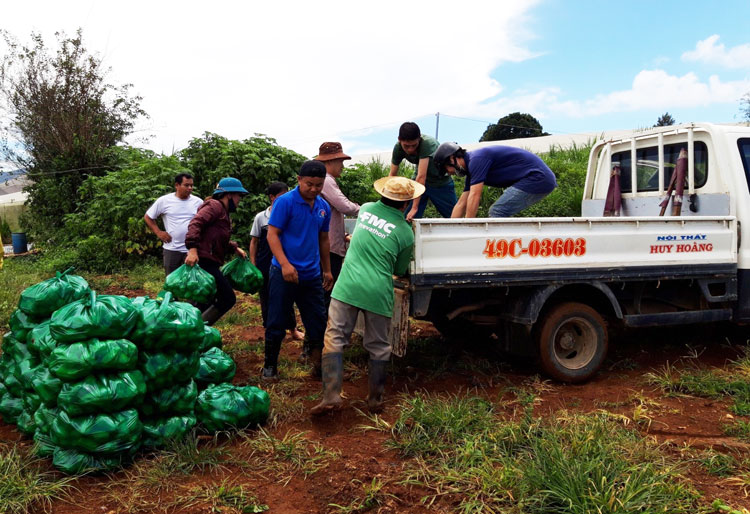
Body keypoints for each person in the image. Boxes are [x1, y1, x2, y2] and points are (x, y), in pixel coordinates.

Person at [311, 176, 423, 415]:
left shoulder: (368, 210)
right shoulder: (405, 233)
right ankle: (375, 400)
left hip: (347, 286)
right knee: (379, 346)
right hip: (377, 292)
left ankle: (331, 396)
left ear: (382, 194)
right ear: (405, 204)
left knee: (334, 338)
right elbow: (399, 270)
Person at [263, 160, 333, 380]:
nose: (313, 189)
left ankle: (317, 364)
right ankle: (270, 366)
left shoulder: (323, 207)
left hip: (311, 275)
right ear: (299, 180)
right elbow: (272, 235)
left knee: (317, 322)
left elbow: (323, 239)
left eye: (318, 185)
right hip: (284, 273)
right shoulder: (285, 202)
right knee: (276, 320)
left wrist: (327, 270)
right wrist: (284, 264)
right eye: (309, 184)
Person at [184, 177, 248, 325]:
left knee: (205, 298)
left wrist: (234, 247)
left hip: (209, 260)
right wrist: (192, 250)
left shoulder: (223, 212)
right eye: (239, 195)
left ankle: (192, 327)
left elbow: (215, 237)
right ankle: (197, 330)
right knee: (227, 297)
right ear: (229, 195)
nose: (239, 200)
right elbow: (195, 224)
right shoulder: (215, 206)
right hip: (204, 261)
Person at [433, 142, 557, 218]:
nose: (449, 173)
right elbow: (461, 203)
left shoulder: (477, 160)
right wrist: (451, 229)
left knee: (498, 211)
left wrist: (467, 228)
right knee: (499, 212)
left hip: (538, 177)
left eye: (446, 168)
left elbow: (475, 196)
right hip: (537, 178)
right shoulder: (472, 169)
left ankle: (505, 252)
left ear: (452, 158)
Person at [249, 181, 305, 341]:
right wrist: (253, 264)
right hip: (265, 264)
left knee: (287, 297)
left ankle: (293, 329)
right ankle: (270, 331)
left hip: (285, 263)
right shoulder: (261, 217)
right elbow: (254, 242)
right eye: (280, 196)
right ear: (271, 197)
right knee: (266, 298)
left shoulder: (290, 213)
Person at [315, 142, 360, 307]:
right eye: (340, 162)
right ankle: (324, 328)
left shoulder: (327, 180)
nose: (342, 166)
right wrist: (368, 210)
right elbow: (345, 206)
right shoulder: (326, 180)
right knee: (327, 290)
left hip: (331, 244)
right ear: (329, 162)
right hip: (329, 248)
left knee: (326, 291)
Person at [389, 122, 456, 221]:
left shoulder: (427, 143)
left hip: (440, 182)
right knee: (408, 218)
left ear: (419, 138)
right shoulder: (398, 148)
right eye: (406, 146)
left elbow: (421, 176)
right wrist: (388, 202)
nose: (410, 149)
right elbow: (392, 175)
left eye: (414, 145)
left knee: (454, 217)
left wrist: (415, 207)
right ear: (399, 140)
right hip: (419, 182)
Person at [144, 173, 204, 275]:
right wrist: (158, 232)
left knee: (192, 282)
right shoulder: (164, 201)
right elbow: (148, 217)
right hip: (171, 249)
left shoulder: (198, 202)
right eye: (186, 185)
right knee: (172, 282)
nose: (190, 188)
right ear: (177, 185)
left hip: (192, 250)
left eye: (191, 185)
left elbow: (204, 223)